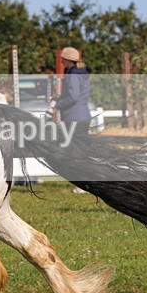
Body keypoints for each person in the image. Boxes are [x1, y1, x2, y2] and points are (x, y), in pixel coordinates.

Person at [50, 47, 92, 193]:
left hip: (74, 116)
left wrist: (58, 104)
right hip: (83, 114)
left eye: (62, 58)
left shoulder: (73, 74)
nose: (61, 60)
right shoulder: (82, 73)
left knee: (74, 150)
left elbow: (73, 97)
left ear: (66, 60)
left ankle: (81, 185)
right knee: (80, 149)